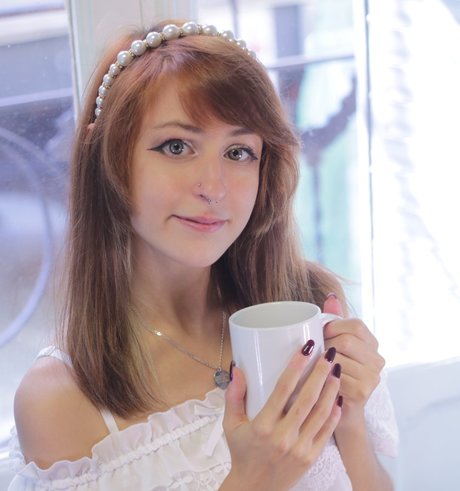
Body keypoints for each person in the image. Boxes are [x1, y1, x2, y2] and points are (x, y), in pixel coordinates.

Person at [8, 19, 398, 491]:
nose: (213, 188)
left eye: (238, 152)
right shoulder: (59, 401)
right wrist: (253, 480)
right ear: (107, 158)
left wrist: (349, 417)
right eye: (176, 147)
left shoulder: (309, 308)